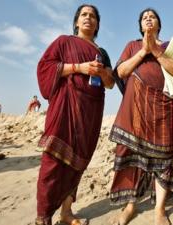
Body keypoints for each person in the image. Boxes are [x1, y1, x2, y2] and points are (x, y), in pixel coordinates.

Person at [35, 4, 114, 225]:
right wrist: (79, 67)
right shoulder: (64, 41)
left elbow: (109, 84)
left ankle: (67, 212)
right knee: (53, 160)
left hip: (91, 111)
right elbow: (45, 67)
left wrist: (102, 72)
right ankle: (43, 216)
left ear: (97, 24)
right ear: (77, 21)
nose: (88, 18)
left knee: (78, 162)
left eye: (92, 16)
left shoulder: (102, 52)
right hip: (65, 107)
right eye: (84, 15)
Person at [108, 8, 173, 225]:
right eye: (144, 17)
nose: (148, 18)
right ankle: (131, 205)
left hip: (163, 107)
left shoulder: (170, 45)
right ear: (141, 26)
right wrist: (143, 51)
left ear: (159, 24)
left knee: (163, 158)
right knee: (131, 153)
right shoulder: (132, 45)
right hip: (135, 107)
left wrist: (156, 51)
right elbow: (121, 72)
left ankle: (159, 210)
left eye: (152, 16)